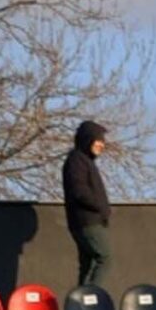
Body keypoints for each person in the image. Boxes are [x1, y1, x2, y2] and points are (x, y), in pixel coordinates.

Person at [64, 120, 111, 289]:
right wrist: (100, 206)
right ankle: (93, 297)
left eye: (103, 142)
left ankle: (81, 300)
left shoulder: (84, 161)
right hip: (88, 221)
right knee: (104, 258)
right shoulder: (77, 161)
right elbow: (79, 191)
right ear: (87, 139)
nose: (102, 145)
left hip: (88, 221)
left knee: (88, 264)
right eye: (98, 140)